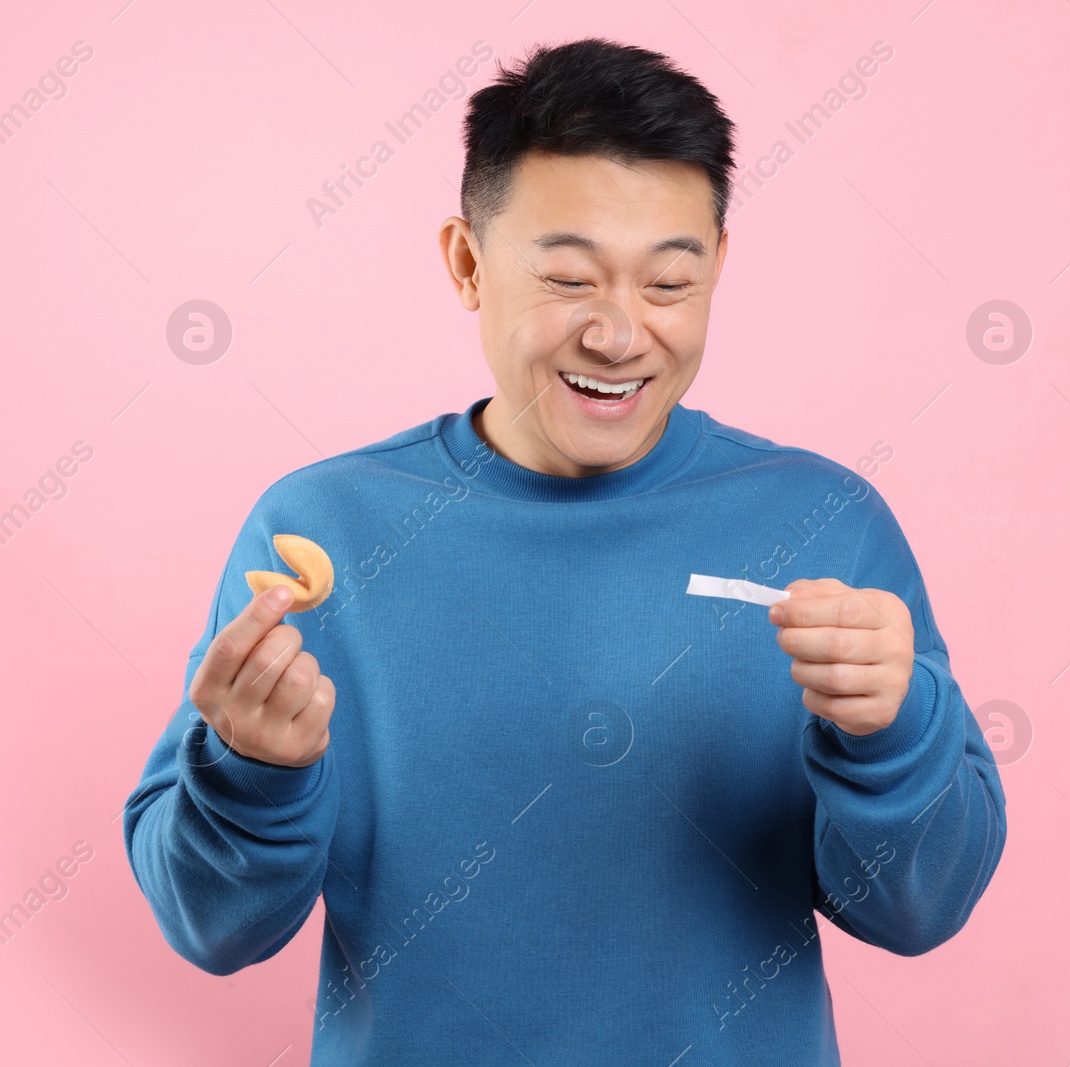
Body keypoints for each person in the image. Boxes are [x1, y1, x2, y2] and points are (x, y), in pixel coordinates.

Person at [123, 35, 1006, 1065]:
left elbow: (921, 910)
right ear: (465, 262)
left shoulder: (826, 523)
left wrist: (895, 734)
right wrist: (250, 770)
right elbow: (212, 926)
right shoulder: (321, 532)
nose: (621, 335)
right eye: (569, 278)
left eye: (669, 286)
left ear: (718, 265)